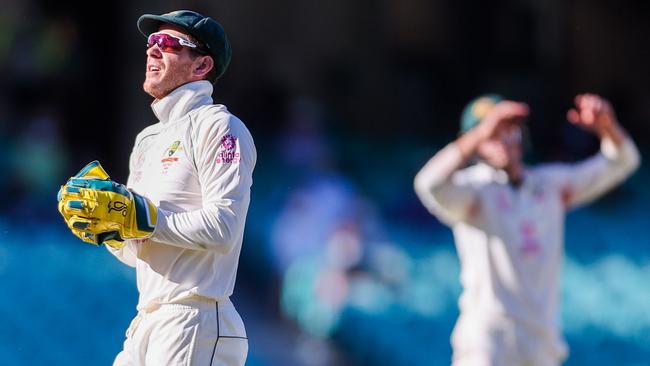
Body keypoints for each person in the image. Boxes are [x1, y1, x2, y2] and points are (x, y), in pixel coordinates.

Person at [58, 10, 255, 366]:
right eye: (150, 43)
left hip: (194, 317)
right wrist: (110, 231)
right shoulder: (147, 140)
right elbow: (141, 250)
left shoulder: (220, 127)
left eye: (167, 44)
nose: (152, 51)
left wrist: (141, 217)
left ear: (202, 65)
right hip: (147, 320)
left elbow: (224, 228)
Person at [413, 93, 640, 366]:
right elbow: (428, 184)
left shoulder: (548, 185)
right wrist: (483, 130)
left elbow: (623, 161)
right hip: (489, 337)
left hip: (540, 339)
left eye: (509, 129)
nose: (502, 139)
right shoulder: (473, 190)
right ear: (476, 141)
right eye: (493, 133)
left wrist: (607, 127)